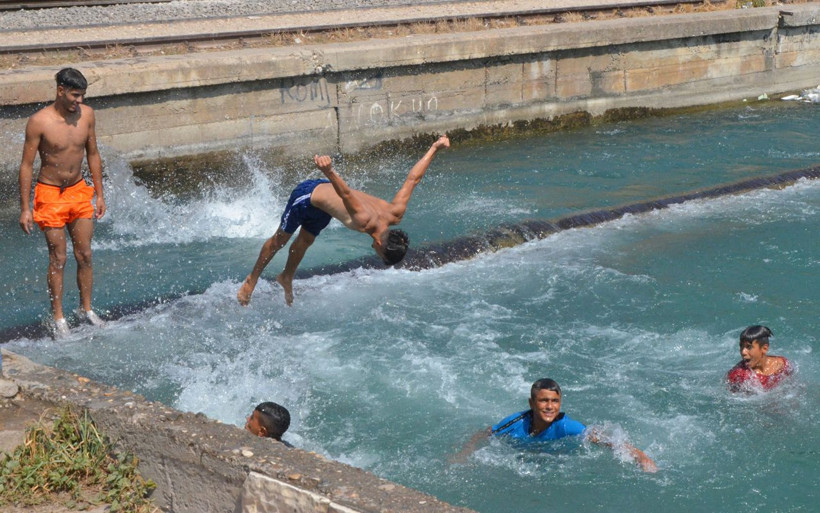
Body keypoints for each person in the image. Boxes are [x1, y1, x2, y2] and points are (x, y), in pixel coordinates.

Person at [237, 135, 450, 306]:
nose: (376, 254)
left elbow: (413, 179)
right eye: (381, 255)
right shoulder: (363, 221)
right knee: (279, 241)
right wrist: (328, 170)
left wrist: (435, 147)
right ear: (379, 245)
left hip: (324, 208)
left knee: (305, 241)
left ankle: (286, 277)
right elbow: (346, 194)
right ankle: (252, 280)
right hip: (308, 196)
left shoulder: (395, 213)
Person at [18, 68, 107, 339]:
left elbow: (93, 154)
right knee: (58, 258)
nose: (79, 101)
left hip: (79, 191)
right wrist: (25, 208)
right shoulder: (39, 122)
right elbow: (26, 165)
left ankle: (86, 310)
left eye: (82, 96)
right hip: (49, 193)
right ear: (60, 91)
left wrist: (99, 193)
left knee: (86, 254)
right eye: (75, 95)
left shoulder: (87, 115)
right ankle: (58, 317)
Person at [451, 378, 658, 472]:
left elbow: (603, 439)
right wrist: (464, 452)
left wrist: (641, 456)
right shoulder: (515, 422)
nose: (550, 406)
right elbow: (485, 433)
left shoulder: (566, 426)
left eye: (555, 401)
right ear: (532, 403)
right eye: (543, 401)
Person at [726, 325, 793, 392]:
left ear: (764, 348)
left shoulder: (782, 365)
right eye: (741, 346)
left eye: (749, 347)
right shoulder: (738, 375)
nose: (743, 352)